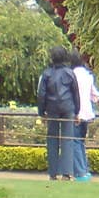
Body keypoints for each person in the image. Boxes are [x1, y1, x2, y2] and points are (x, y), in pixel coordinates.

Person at [37, 46, 80, 181]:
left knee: (52, 139)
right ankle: (67, 173)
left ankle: (53, 173)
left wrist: (41, 112)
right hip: (68, 108)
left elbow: (41, 94)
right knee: (68, 139)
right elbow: (75, 94)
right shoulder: (70, 73)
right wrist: (77, 111)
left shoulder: (47, 74)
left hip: (52, 109)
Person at [70, 50, 99, 183]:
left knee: (75, 142)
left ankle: (80, 172)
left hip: (76, 114)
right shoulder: (88, 75)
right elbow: (94, 94)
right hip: (87, 113)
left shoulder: (71, 75)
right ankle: (84, 169)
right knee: (80, 142)